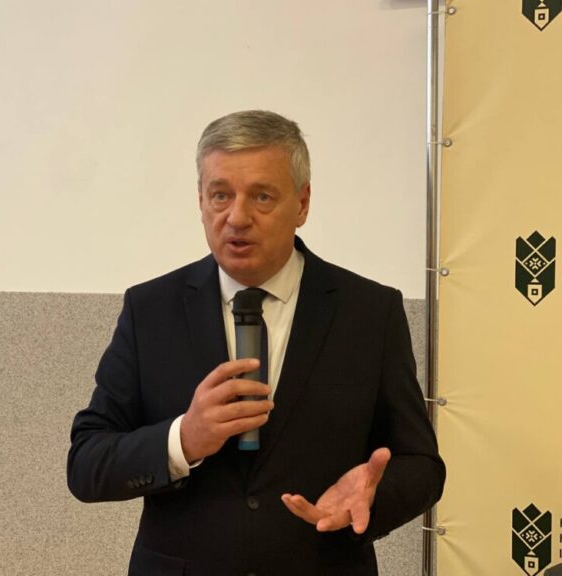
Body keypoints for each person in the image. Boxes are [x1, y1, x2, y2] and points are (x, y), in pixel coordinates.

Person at [67, 110, 445, 575]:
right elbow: (86, 462)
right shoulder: (151, 309)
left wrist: (372, 496)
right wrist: (183, 440)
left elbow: (423, 465)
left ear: (302, 204)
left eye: (262, 196)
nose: (237, 217)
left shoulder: (369, 312)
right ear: (201, 201)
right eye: (220, 195)